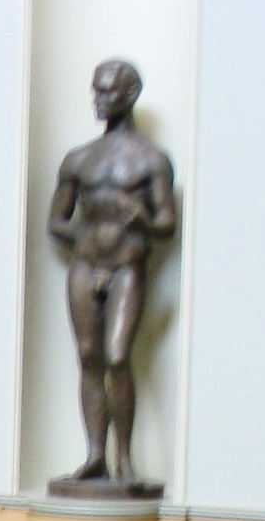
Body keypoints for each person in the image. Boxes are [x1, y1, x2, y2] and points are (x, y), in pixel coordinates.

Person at [48, 59, 177, 491]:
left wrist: (139, 218)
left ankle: (124, 457)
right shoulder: (79, 158)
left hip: (126, 265)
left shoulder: (151, 160)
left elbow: (166, 225)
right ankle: (94, 457)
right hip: (86, 264)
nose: (98, 101)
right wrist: (84, 235)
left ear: (131, 94)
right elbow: (56, 222)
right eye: (95, 91)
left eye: (107, 92)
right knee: (88, 357)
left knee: (118, 356)